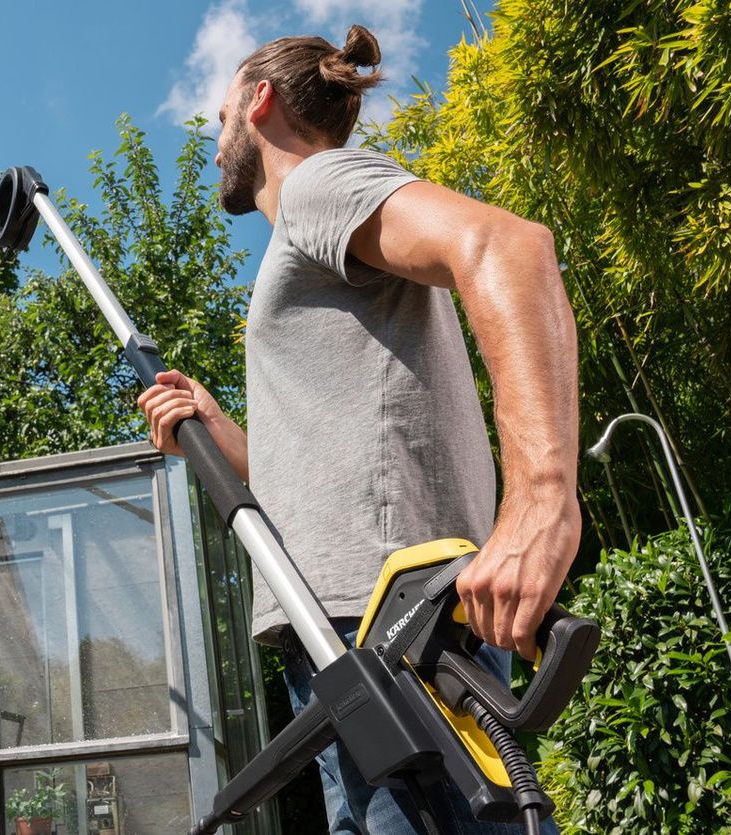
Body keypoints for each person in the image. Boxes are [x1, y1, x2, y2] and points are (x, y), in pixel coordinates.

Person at [137, 24, 578, 835]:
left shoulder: (316, 187)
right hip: (349, 635)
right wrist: (216, 427)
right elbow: (318, 474)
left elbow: (509, 247)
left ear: (259, 101)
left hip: (390, 632)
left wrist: (544, 500)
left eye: (222, 114)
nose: (214, 145)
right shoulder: (318, 242)